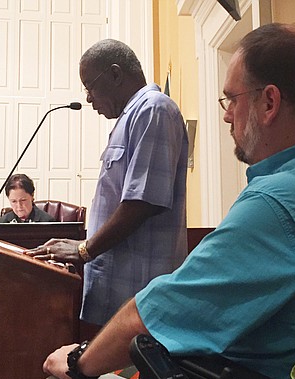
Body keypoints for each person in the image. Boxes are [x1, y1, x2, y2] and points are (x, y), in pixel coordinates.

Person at [39, 23, 295, 379]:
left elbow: (149, 318)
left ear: (269, 103)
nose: (228, 115)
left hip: (234, 378)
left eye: (232, 99)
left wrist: (77, 360)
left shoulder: (277, 204)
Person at [26, 39, 188, 327]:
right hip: (117, 290)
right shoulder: (130, 117)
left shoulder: (153, 109)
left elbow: (143, 201)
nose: (88, 99)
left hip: (138, 293)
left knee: (127, 373)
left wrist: (83, 249)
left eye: (90, 87)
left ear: (115, 74)